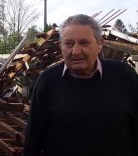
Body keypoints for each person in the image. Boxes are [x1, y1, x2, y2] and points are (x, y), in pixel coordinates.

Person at [23, 14, 138, 156]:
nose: (76, 51)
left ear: (100, 43)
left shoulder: (124, 76)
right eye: (69, 44)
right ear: (60, 46)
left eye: (84, 43)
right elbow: (33, 141)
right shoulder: (47, 82)